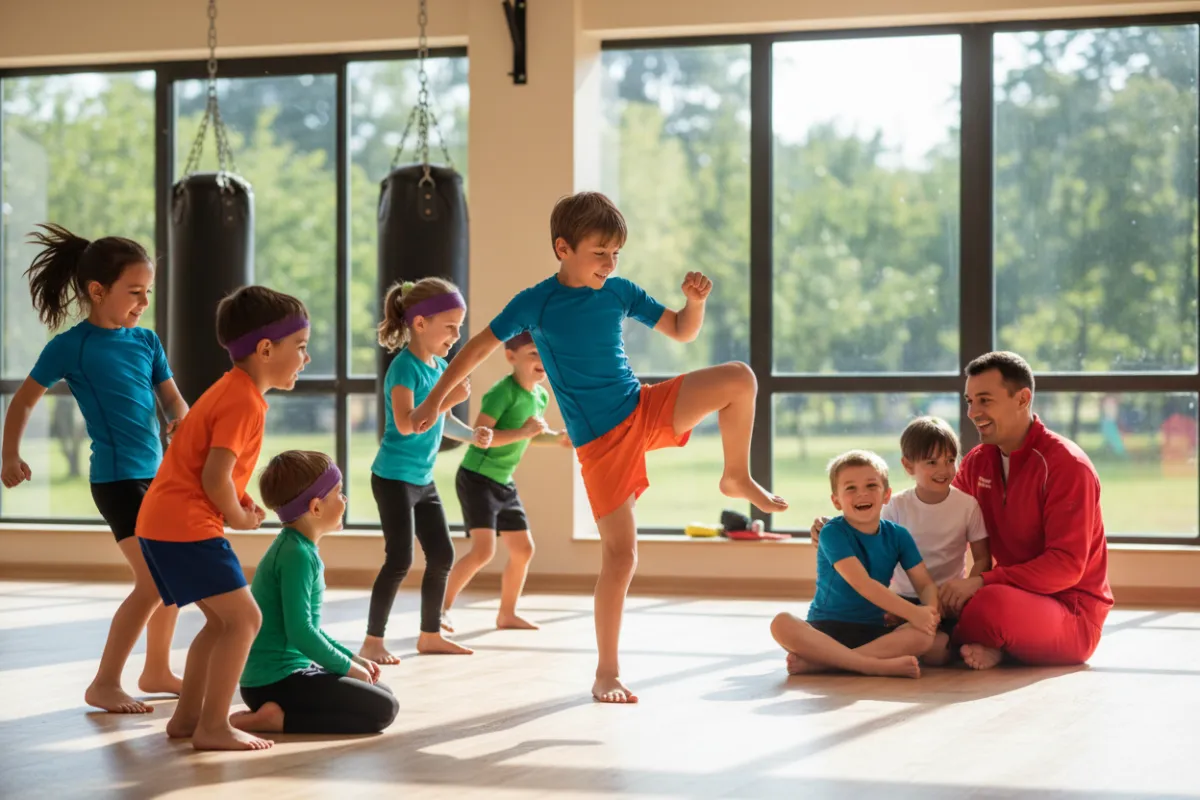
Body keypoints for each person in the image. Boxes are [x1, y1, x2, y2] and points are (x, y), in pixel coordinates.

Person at [409, 191, 788, 703]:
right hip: (601, 443)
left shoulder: (619, 290)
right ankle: (606, 671)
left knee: (740, 378)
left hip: (642, 407)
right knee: (622, 556)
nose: (609, 265)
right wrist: (436, 401)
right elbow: (477, 347)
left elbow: (679, 329)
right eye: (599, 254)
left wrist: (694, 303)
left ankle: (735, 475)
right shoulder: (535, 302)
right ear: (563, 248)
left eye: (616, 255)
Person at [0, 224, 188, 714]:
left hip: (158, 475)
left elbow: (172, 401)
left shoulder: (147, 342)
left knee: (172, 575)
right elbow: (22, 402)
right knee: (154, 581)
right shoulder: (72, 345)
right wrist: (9, 455)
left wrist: (181, 425)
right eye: (134, 292)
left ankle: (157, 669)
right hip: (117, 480)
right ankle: (105, 683)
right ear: (97, 290)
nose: (143, 302)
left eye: (148, 292)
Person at [136, 285, 311, 751]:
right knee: (245, 620)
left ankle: (188, 719)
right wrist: (234, 515)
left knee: (221, 623)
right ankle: (213, 726)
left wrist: (240, 499)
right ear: (266, 348)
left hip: (164, 522)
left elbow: (214, 471)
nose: (306, 358)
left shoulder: (232, 391)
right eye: (301, 347)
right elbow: (214, 477)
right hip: (185, 525)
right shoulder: (243, 400)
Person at [938, 351, 1112, 669]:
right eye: (969, 401)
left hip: (1071, 614)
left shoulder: (1067, 465)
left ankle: (939, 640)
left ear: (1022, 398)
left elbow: (1065, 567)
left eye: (985, 400)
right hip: (1010, 594)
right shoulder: (978, 461)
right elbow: (940, 521)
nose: (972, 412)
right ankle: (975, 642)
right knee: (918, 594)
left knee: (989, 604)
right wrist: (856, 527)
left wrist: (981, 581)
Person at [358, 278, 491, 666]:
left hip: (422, 479)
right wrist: (449, 396)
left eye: (460, 327)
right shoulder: (404, 370)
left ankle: (429, 635)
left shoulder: (440, 367)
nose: (456, 335)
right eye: (450, 326)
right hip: (394, 479)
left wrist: (470, 435)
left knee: (443, 553)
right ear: (420, 323)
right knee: (399, 559)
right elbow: (407, 423)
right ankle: (371, 642)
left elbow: (441, 423)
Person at [232, 451, 399, 736]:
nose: (344, 499)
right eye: (338, 492)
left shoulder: (298, 548)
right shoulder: (295, 555)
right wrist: (347, 668)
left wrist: (353, 661)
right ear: (316, 508)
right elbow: (301, 633)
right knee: (383, 711)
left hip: (286, 674)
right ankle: (276, 720)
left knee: (383, 694)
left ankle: (278, 713)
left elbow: (310, 630)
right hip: (274, 682)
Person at [809, 416, 990, 664]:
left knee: (940, 650)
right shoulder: (896, 505)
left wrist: (963, 592)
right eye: (932, 462)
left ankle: (834, 659)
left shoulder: (967, 505)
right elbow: (864, 522)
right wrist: (828, 526)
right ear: (908, 466)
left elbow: (982, 558)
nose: (944, 470)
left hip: (949, 599)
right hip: (899, 601)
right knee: (931, 647)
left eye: (950, 460)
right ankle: (849, 659)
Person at [442, 332, 570, 633]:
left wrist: (558, 440)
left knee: (523, 549)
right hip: (477, 477)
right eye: (532, 353)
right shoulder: (502, 393)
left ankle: (507, 614)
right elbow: (481, 437)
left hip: (503, 481)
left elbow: (532, 433)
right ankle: (439, 609)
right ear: (511, 357)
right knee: (483, 551)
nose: (541, 360)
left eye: (545, 353)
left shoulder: (540, 395)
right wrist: (524, 433)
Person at [771, 450, 939, 679]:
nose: (862, 494)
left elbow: (925, 584)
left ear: (886, 494)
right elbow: (863, 585)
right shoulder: (833, 532)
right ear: (836, 500)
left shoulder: (899, 535)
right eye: (851, 488)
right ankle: (870, 665)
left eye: (871, 486)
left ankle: (827, 664)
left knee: (925, 637)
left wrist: (930, 612)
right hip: (825, 629)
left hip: (871, 631)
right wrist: (913, 612)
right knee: (781, 623)